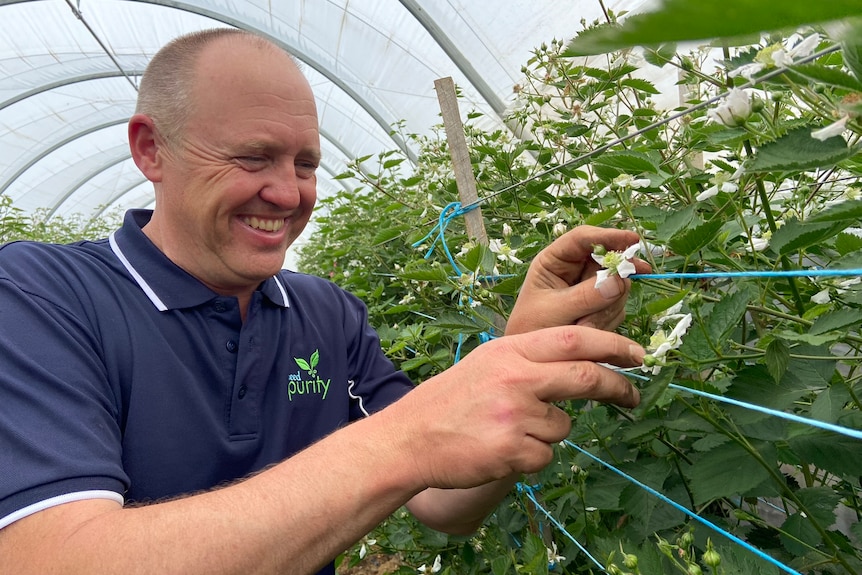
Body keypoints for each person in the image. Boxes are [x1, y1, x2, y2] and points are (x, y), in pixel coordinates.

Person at [0, 29, 649, 575]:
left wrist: (528, 359)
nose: (287, 194)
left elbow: (442, 502)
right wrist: (406, 437)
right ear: (151, 150)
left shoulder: (326, 313)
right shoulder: (41, 296)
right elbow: (52, 556)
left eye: (305, 164)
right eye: (253, 157)